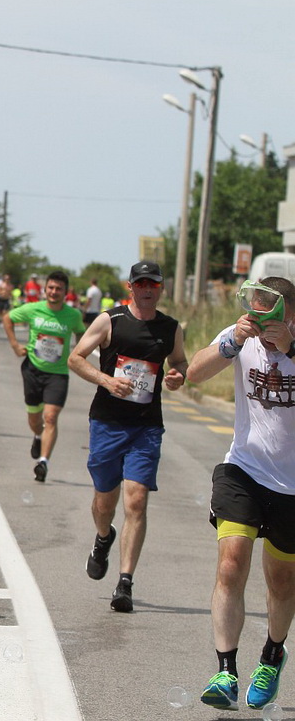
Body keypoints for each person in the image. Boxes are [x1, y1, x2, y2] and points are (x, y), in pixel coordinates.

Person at [186, 277, 295, 710]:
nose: (259, 321)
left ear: (288, 314)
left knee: (282, 581)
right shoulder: (241, 336)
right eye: (254, 310)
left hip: (291, 484)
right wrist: (231, 340)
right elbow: (195, 371)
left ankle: (272, 654)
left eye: (269, 313)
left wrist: (290, 348)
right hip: (243, 470)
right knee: (231, 562)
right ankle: (226, 671)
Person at [67, 261, 186, 613]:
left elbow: (180, 361)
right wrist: (107, 381)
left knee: (136, 501)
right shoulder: (110, 321)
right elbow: (75, 358)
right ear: (131, 287)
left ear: (161, 288)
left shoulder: (170, 327)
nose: (148, 289)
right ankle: (104, 536)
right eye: (142, 283)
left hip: (146, 427)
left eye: (154, 284)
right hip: (107, 423)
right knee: (105, 502)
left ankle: (125, 582)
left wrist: (178, 375)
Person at [2, 270, 86, 482]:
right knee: (34, 418)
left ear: (66, 292)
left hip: (57, 374)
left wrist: (79, 352)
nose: (54, 292)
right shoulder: (33, 309)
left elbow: (82, 334)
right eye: (50, 288)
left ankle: (43, 462)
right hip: (33, 370)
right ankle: (37, 436)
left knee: (50, 417)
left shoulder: (73, 315)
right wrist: (14, 345)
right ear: (44, 289)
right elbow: (7, 318)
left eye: (58, 289)